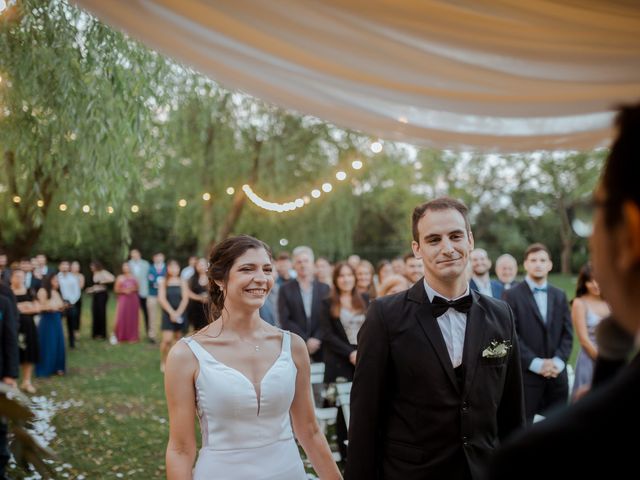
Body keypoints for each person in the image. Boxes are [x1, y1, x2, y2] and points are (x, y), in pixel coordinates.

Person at [486, 102, 640, 479]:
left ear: (629, 235)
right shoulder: (511, 297)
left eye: (593, 210)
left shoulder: (539, 460)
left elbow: (568, 334)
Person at [347, 197, 525, 480]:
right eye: (433, 239)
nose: (447, 248)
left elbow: (512, 412)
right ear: (417, 249)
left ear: (470, 240)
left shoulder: (501, 314)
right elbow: (365, 417)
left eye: (455, 236)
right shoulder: (385, 316)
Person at [164, 235, 341, 479]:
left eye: (267, 269)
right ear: (218, 279)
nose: (261, 278)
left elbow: (309, 431)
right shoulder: (186, 354)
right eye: (247, 269)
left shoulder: (292, 346)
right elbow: (181, 449)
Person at [503, 243, 573, 423]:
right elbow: (511, 335)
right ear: (525, 264)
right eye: (533, 260)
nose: (538, 264)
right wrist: (536, 363)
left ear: (550, 265)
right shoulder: (511, 295)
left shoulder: (560, 295)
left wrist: (558, 361)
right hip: (527, 376)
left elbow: (568, 333)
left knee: (559, 428)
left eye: (543, 260)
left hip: (557, 376)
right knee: (523, 429)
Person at [278, 246, 330, 362]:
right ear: (294, 265)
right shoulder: (285, 289)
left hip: (322, 346)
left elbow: (327, 318)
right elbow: (285, 319)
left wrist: (316, 338)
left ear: (312, 264)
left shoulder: (324, 289)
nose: (303, 265)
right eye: (299, 262)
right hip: (296, 346)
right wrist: (305, 340)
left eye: (306, 261)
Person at [570, 263, 610, 399]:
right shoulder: (579, 303)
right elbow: (583, 340)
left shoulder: (610, 301)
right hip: (590, 358)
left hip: (612, 357)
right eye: (590, 280)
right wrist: (604, 361)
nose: (595, 284)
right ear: (584, 282)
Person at [10, 269, 40, 393]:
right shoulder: (8, 292)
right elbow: (8, 309)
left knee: (29, 352)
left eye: (22, 276)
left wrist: (22, 308)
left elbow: (37, 308)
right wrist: (25, 306)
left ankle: (27, 381)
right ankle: (13, 381)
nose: (19, 279)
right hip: (13, 326)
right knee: (14, 352)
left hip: (28, 325)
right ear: (12, 278)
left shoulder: (29, 290)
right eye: (17, 276)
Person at [0, 280, 18, 480]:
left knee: (0, 424)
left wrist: (10, 374)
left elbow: (10, 341)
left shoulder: (4, 303)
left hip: (0, 375)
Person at [158, 260, 189, 373]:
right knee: (167, 340)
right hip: (168, 314)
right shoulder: (163, 282)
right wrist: (172, 313)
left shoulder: (183, 281)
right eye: (171, 267)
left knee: (179, 340)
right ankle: (163, 360)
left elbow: (185, 298)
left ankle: (177, 362)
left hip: (181, 313)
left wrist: (178, 313)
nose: (174, 270)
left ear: (179, 269)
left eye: (176, 267)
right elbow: (161, 299)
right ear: (168, 269)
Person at [35, 273, 66, 377]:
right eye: (55, 280)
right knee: (48, 343)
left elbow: (60, 305)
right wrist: (51, 307)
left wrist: (62, 306)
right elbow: (40, 307)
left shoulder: (55, 292)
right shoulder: (43, 291)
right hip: (47, 320)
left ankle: (58, 367)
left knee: (58, 343)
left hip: (56, 319)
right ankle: (46, 368)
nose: (57, 282)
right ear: (49, 281)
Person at [113, 262, 140, 343]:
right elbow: (116, 289)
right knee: (122, 316)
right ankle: (121, 336)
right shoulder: (120, 278)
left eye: (127, 266)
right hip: (123, 299)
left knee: (132, 317)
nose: (126, 268)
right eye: (124, 267)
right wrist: (124, 290)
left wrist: (132, 289)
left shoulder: (134, 277)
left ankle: (132, 337)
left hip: (133, 299)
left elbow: (138, 288)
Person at [87, 261, 115, 340]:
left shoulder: (103, 272)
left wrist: (102, 281)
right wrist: (90, 289)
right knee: (95, 312)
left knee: (101, 313)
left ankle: (102, 334)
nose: (91, 268)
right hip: (96, 294)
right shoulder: (94, 274)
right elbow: (96, 286)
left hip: (102, 295)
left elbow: (112, 278)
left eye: (92, 266)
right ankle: (96, 333)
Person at [128, 249, 150, 340]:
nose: (134, 256)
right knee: (132, 312)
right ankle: (133, 332)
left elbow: (149, 277)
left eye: (136, 254)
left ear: (139, 254)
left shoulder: (146, 264)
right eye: (132, 255)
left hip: (143, 291)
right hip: (132, 292)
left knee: (146, 312)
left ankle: (148, 331)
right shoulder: (129, 264)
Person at [186, 258, 209, 331]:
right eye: (199, 265)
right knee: (196, 330)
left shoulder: (212, 278)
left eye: (203, 265)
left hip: (209, 308)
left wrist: (209, 298)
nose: (201, 267)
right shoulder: (191, 279)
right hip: (195, 308)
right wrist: (200, 298)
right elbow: (188, 292)